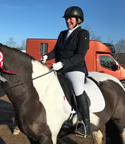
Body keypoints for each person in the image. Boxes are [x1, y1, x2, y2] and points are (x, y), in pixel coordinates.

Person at [41, 6, 90, 137]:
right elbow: (56, 51)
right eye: (67, 19)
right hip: (59, 68)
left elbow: (80, 55)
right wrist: (47, 56)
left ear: (78, 20)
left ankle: (86, 124)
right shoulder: (62, 34)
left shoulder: (83, 34)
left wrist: (63, 63)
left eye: (71, 19)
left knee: (77, 88)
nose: (68, 21)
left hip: (75, 68)